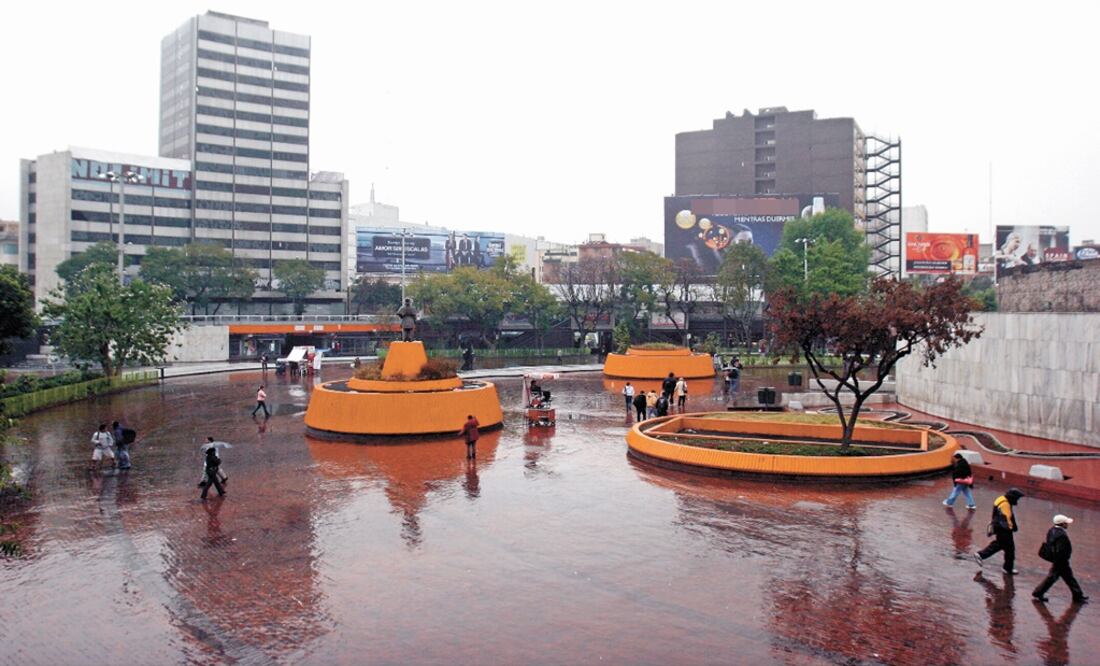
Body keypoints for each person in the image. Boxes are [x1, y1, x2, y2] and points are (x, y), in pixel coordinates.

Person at [1033, 514, 1089, 604]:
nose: (1067, 524)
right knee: (1056, 578)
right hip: (1061, 561)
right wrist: (1064, 559)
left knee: (1068, 578)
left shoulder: (1051, 531)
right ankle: (1038, 592)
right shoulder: (1061, 535)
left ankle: (1078, 595)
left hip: (1058, 560)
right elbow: (1062, 550)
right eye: (1066, 523)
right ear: (1062, 524)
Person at [975, 488, 1024, 574]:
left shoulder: (1001, 499)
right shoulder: (1005, 504)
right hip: (1004, 530)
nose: (1017, 501)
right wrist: (1011, 528)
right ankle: (982, 555)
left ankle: (1007, 567)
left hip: (999, 528)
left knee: (1001, 545)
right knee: (1008, 548)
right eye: (1017, 498)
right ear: (1012, 497)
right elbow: (1007, 517)